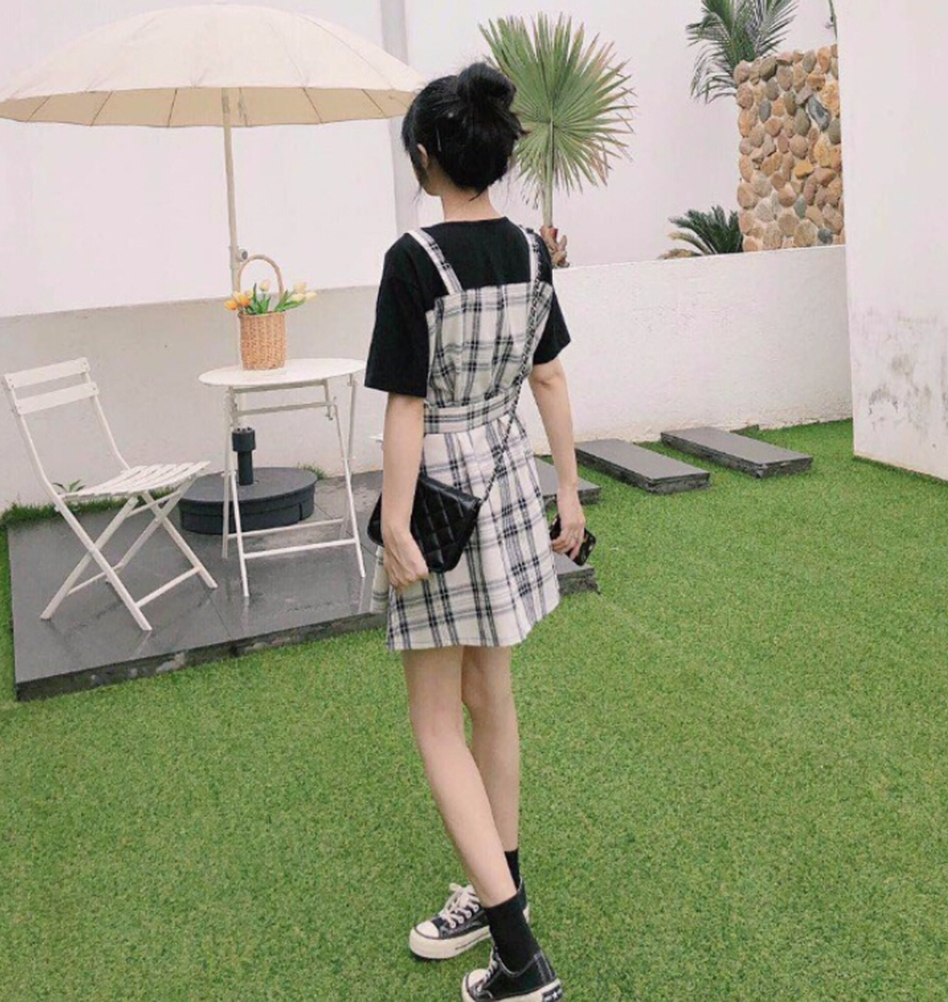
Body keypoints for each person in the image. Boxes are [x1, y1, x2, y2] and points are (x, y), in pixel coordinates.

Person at [364, 61, 585, 1002]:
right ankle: (501, 895)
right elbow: (550, 378)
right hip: (506, 481)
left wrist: (395, 521)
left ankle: (519, 959)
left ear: (426, 155)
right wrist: (568, 494)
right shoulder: (534, 251)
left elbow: (407, 407)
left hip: (440, 498)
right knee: (491, 697)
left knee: (434, 723)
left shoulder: (414, 259)